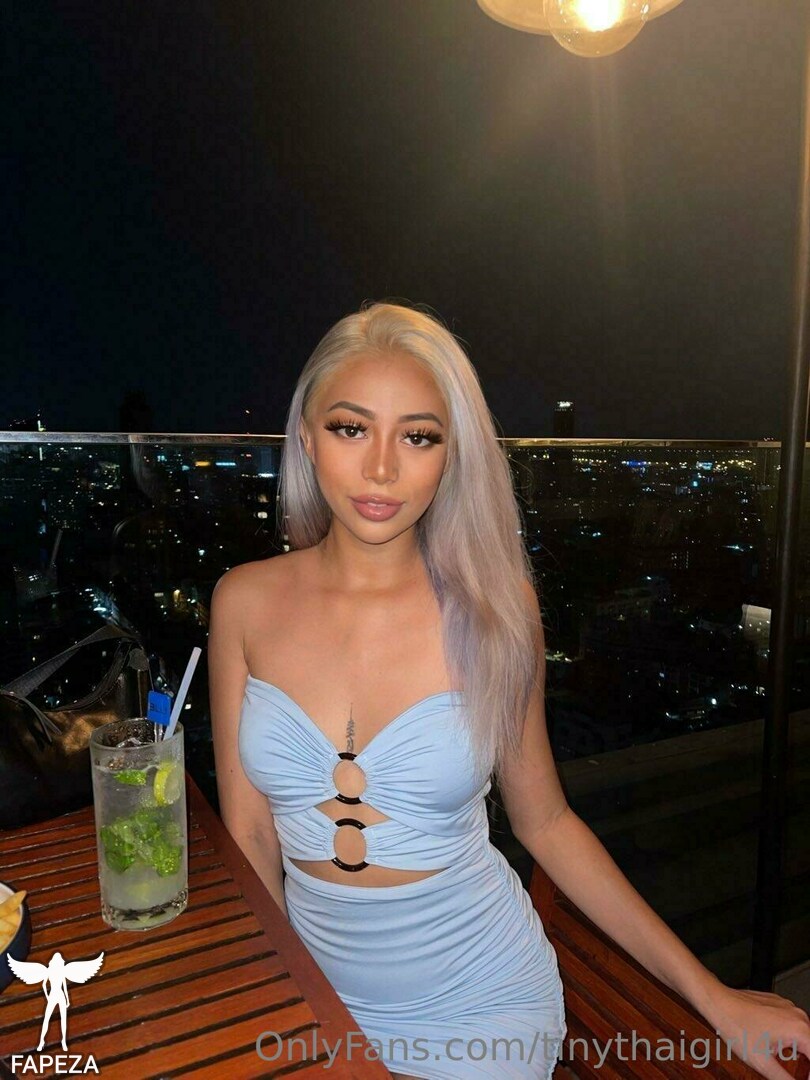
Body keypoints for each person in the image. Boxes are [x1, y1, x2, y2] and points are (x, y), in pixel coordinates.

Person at [208, 301, 810, 1079]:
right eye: (351, 428)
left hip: (482, 1002)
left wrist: (712, 995)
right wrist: (285, 1000)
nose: (382, 468)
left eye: (418, 436)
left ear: (452, 454)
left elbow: (547, 822)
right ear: (305, 436)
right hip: (314, 995)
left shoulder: (496, 611)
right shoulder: (243, 602)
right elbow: (250, 836)